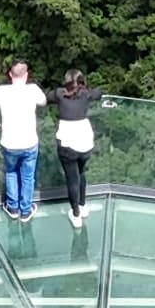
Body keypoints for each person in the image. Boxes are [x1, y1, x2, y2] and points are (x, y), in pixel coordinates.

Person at [0, 59, 44, 221]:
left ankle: (13, 208)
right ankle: (26, 210)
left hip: (9, 143)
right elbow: (44, 101)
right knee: (27, 177)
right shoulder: (32, 90)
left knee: (11, 172)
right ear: (26, 75)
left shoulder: (2, 91)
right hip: (30, 142)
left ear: (10, 74)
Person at [51, 69, 99, 220]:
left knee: (72, 179)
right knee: (81, 173)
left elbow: (45, 96)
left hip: (68, 143)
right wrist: (87, 90)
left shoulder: (60, 94)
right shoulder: (86, 94)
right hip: (85, 142)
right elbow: (99, 93)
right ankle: (83, 205)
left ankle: (75, 213)